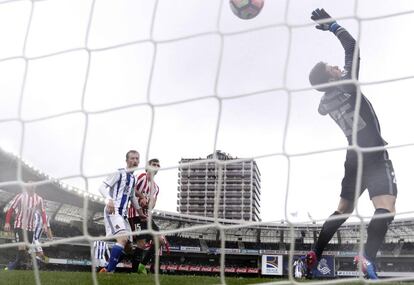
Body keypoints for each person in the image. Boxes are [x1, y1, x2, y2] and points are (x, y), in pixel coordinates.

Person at [306, 8, 397, 280]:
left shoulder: (325, 102)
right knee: (386, 206)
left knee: (343, 209)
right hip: (373, 152)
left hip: (352, 155)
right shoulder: (348, 84)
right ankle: (367, 256)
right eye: (331, 68)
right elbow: (353, 47)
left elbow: (323, 108)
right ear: (331, 77)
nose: (336, 67)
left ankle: (315, 253)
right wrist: (332, 25)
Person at [98, 150, 141, 273]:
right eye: (132, 158)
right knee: (122, 239)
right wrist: (109, 200)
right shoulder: (118, 173)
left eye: (137, 159)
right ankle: (109, 271)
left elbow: (132, 197)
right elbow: (101, 187)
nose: (135, 161)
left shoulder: (133, 179)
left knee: (128, 248)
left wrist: (140, 212)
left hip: (123, 215)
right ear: (127, 160)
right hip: (113, 211)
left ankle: (107, 267)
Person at [127, 158, 167, 274]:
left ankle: (142, 265)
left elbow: (153, 204)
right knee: (141, 243)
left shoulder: (156, 187)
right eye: (153, 164)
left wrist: (150, 204)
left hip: (148, 216)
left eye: (157, 165)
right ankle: (134, 272)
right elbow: (131, 189)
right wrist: (142, 197)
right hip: (135, 214)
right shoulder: (140, 177)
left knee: (160, 240)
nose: (155, 166)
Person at [4, 181, 48, 270]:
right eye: (29, 185)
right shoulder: (20, 196)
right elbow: (11, 209)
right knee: (22, 248)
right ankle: (11, 268)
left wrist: (44, 224)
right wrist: (7, 222)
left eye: (32, 185)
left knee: (25, 250)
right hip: (19, 225)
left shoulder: (39, 199)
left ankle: (12, 265)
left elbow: (43, 212)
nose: (31, 187)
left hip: (31, 228)